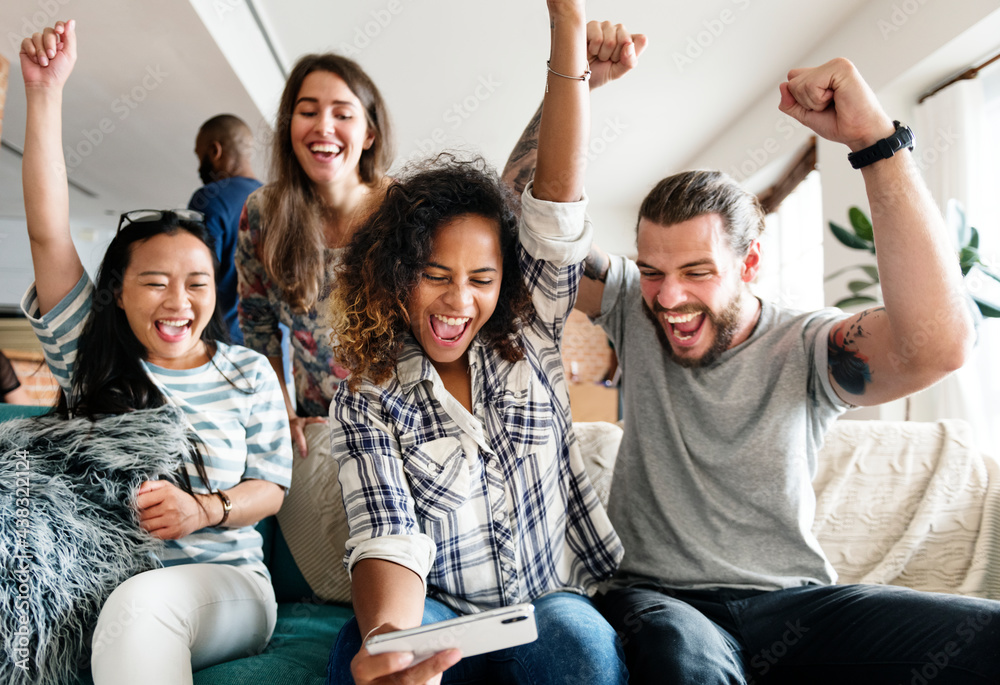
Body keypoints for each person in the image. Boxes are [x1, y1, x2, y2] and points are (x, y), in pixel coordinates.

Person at [504, 56, 1000, 684]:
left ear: (751, 262)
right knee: (685, 659)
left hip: (794, 603)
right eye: (654, 270)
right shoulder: (633, 304)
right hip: (661, 601)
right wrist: (568, 83)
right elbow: (519, 232)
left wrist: (875, 140)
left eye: (698, 272)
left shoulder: (810, 345)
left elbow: (938, 346)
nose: (669, 297)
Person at [324, 4, 642, 684]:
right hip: (439, 612)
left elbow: (554, 202)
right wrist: (390, 640)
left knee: (579, 648)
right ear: (397, 274)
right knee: (366, 657)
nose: (457, 300)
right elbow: (387, 530)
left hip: (550, 602)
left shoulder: (531, 328)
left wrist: (567, 22)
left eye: (481, 278)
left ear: (509, 281)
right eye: (434, 275)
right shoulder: (367, 397)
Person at [19, 21, 292, 684]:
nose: (178, 300)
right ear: (116, 292)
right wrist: (45, 93)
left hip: (226, 584)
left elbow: (272, 487)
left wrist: (204, 509)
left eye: (196, 282)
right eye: (154, 281)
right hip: (96, 576)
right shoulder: (91, 355)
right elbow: (48, 232)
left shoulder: (245, 371)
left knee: (140, 611)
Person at [235, 49, 392, 457]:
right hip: (318, 435)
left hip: (402, 434)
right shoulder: (262, 214)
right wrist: (283, 414)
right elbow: (258, 330)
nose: (324, 127)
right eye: (308, 112)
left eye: (343, 114)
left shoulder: (404, 211)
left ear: (369, 134)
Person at [188, 114, 262, 345]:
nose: (200, 167)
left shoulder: (211, 199)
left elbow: (194, 280)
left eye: (200, 157)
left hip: (222, 348)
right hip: (273, 355)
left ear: (214, 151)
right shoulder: (282, 202)